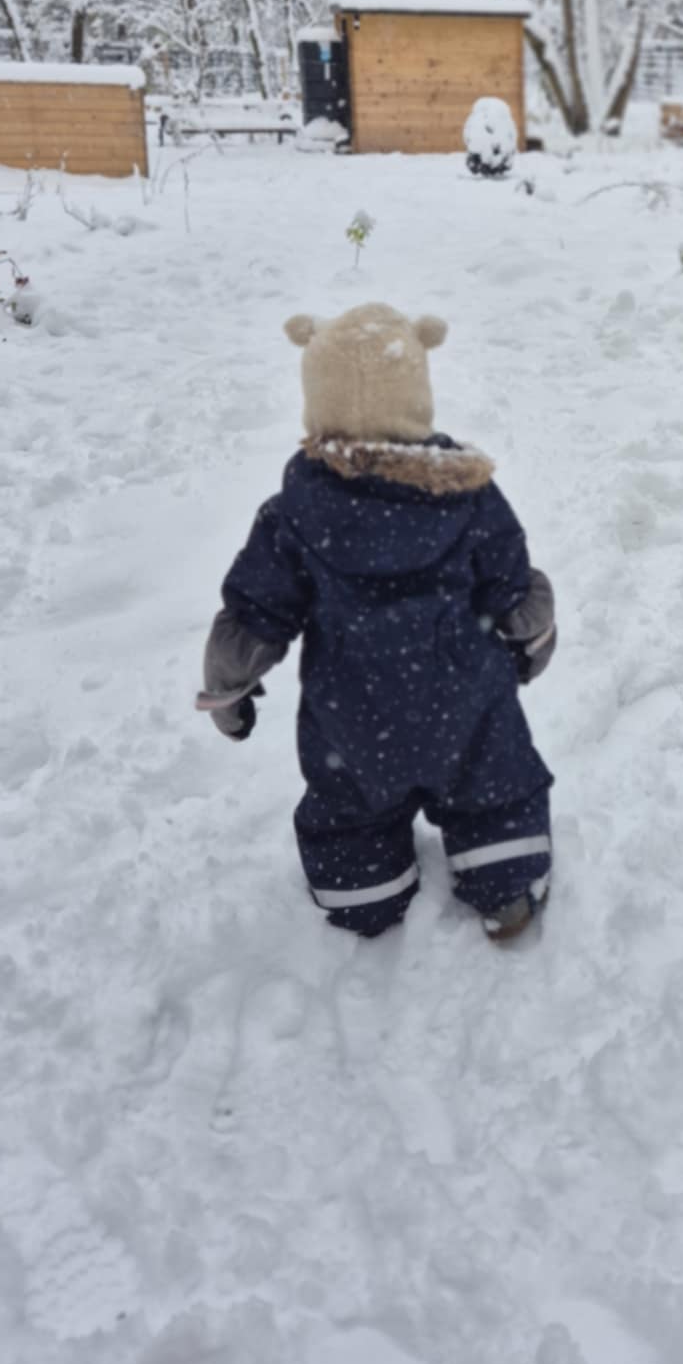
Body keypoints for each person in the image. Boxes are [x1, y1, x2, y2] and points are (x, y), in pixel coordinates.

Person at [197, 302, 556, 943]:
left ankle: (366, 894)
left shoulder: (294, 515)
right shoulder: (468, 497)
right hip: (467, 703)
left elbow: (252, 618)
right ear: (417, 397)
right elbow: (514, 586)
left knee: (351, 811)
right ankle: (505, 884)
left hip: (354, 720)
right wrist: (532, 641)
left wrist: (227, 692)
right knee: (493, 787)